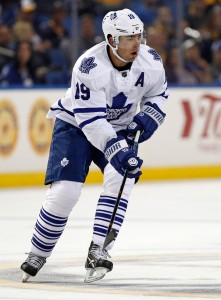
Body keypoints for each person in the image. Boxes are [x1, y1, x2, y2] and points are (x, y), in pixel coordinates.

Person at [20, 8, 169, 283]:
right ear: (112, 40)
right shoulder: (89, 66)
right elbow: (92, 122)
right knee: (66, 192)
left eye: (138, 36)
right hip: (76, 125)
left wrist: (150, 117)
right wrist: (118, 150)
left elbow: (158, 95)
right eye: (128, 38)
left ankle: (100, 249)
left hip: (118, 127)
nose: (137, 43)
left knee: (122, 177)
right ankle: (38, 252)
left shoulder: (150, 61)